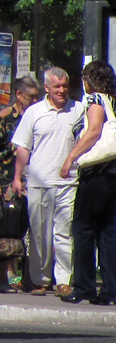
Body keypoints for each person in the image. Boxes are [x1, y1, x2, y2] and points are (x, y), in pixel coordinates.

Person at [11, 66, 84, 296]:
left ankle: (64, 281)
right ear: (46, 88)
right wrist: (17, 178)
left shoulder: (79, 110)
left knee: (64, 233)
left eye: (65, 86)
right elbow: (23, 147)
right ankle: (40, 280)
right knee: (39, 234)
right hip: (39, 182)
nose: (62, 91)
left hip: (69, 182)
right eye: (57, 87)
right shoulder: (34, 112)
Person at [58, 60, 116, 305]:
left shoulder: (96, 100)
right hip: (114, 173)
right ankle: (111, 290)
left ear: (90, 80)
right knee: (108, 232)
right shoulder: (114, 100)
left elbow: (93, 131)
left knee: (82, 230)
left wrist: (71, 157)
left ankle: (84, 287)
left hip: (96, 172)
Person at [0, 75, 41, 293]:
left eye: (37, 97)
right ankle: (3, 276)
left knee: (32, 230)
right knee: (7, 230)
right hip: (6, 179)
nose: (35, 101)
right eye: (31, 97)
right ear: (19, 95)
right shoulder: (5, 118)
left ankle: (29, 277)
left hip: (33, 179)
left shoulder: (38, 116)